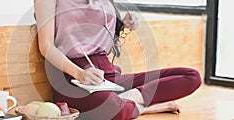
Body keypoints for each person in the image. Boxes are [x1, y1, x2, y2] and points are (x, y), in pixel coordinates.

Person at [34, 0, 201, 119]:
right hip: (70, 80)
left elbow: (97, 33)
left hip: (107, 77)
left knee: (191, 76)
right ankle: (147, 106)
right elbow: (46, 46)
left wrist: (123, 23)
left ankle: (132, 98)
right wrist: (80, 74)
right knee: (112, 107)